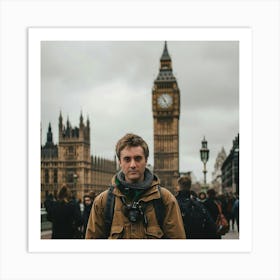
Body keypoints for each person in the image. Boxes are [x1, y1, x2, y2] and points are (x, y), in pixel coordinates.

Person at [85, 133, 186, 239]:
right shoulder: (103, 202)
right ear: (119, 162)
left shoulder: (165, 199)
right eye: (127, 159)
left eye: (138, 159)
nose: (133, 165)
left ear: (146, 160)